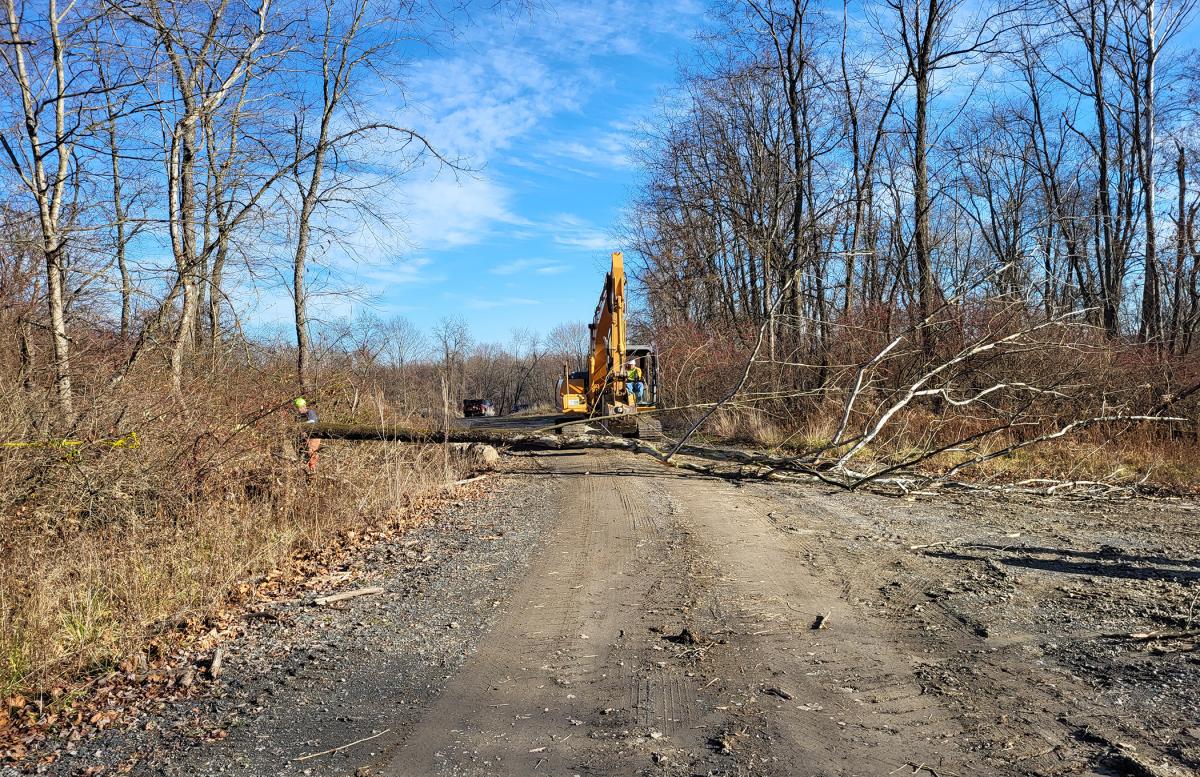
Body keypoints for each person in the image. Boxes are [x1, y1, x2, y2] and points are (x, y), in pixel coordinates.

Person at [293, 397, 321, 472]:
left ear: (304, 406)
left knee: (311, 451)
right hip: (305, 437)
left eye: (300, 407)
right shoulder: (298, 416)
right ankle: (304, 466)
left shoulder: (310, 412)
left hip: (314, 435)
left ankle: (312, 470)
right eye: (297, 408)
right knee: (300, 450)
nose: (299, 410)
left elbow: (312, 421)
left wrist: (302, 425)